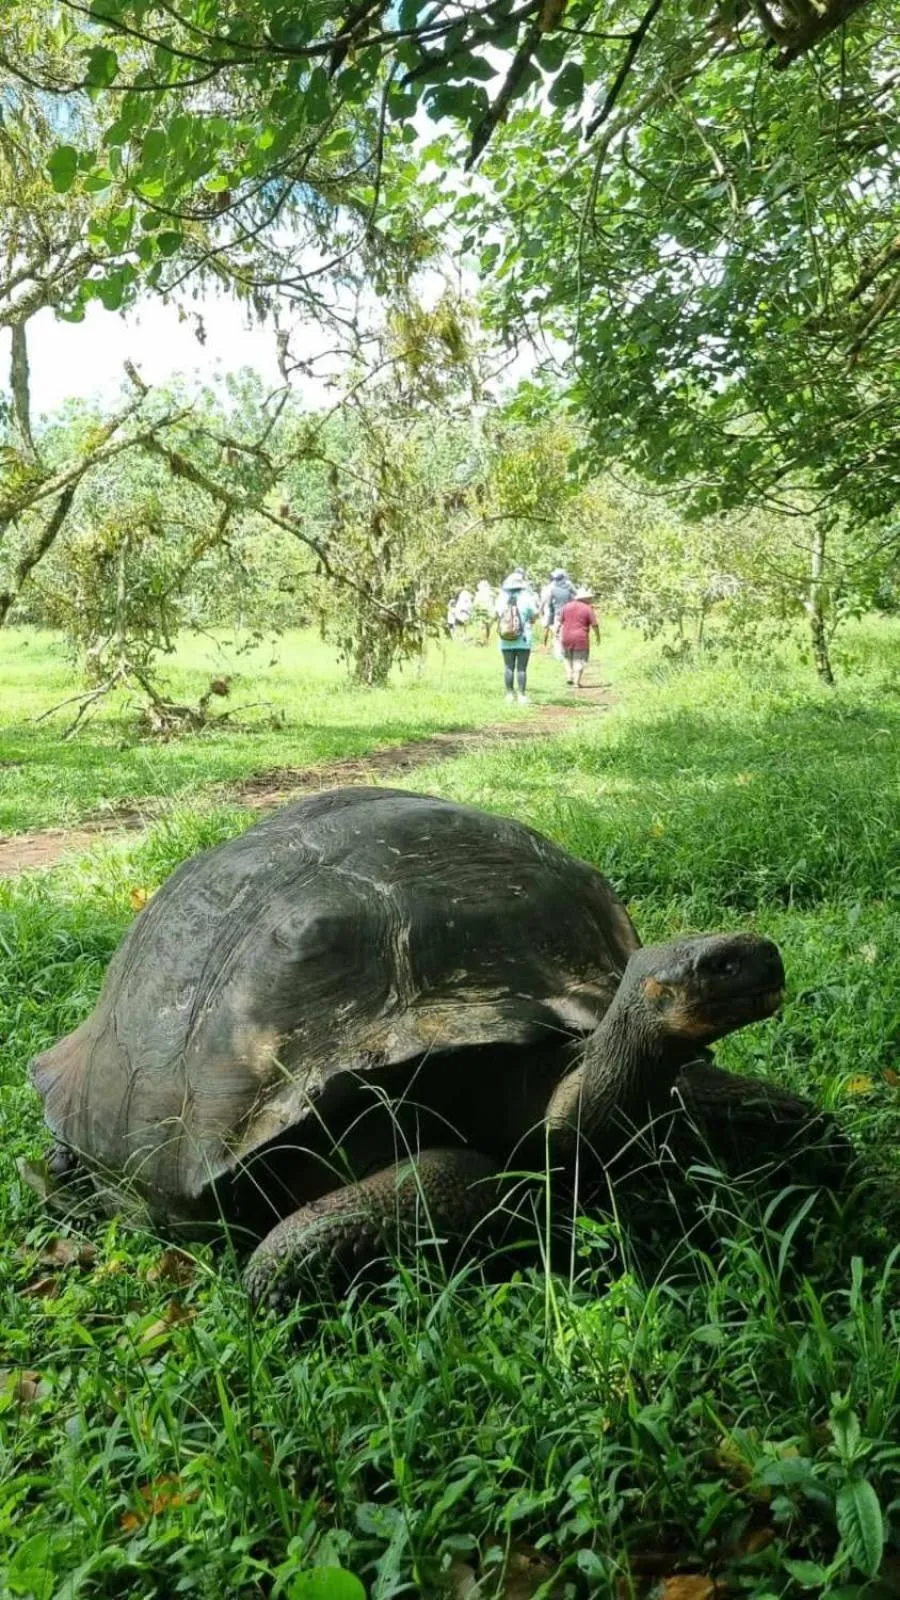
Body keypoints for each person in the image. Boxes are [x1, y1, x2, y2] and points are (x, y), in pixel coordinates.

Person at [496, 570, 538, 703]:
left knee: (508, 667)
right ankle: (521, 695)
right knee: (521, 668)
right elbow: (534, 615)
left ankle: (509, 694)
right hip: (524, 638)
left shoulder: (501, 599)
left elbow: (497, 615)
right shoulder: (526, 598)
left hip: (505, 639)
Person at [559, 586, 600, 689]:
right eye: (589, 598)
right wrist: (598, 636)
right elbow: (594, 624)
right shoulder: (587, 608)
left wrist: (557, 633)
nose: (590, 599)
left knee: (567, 657)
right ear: (585, 598)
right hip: (581, 638)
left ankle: (569, 675)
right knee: (580, 659)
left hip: (566, 636)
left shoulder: (566, 606)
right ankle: (576, 682)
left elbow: (560, 622)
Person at [547, 568, 576, 659]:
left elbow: (549, 603)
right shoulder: (569, 587)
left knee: (556, 634)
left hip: (558, 614)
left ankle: (559, 654)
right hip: (569, 614)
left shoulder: (553, 589)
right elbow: (577, 596)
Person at [472, 579, 495, 644]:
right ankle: (485, 640)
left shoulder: (479, 594)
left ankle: (484, 641)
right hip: (488, 612)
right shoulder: (490, 593)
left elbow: (475, 604)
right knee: (487, 627)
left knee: (483, 627)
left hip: (483, 612)